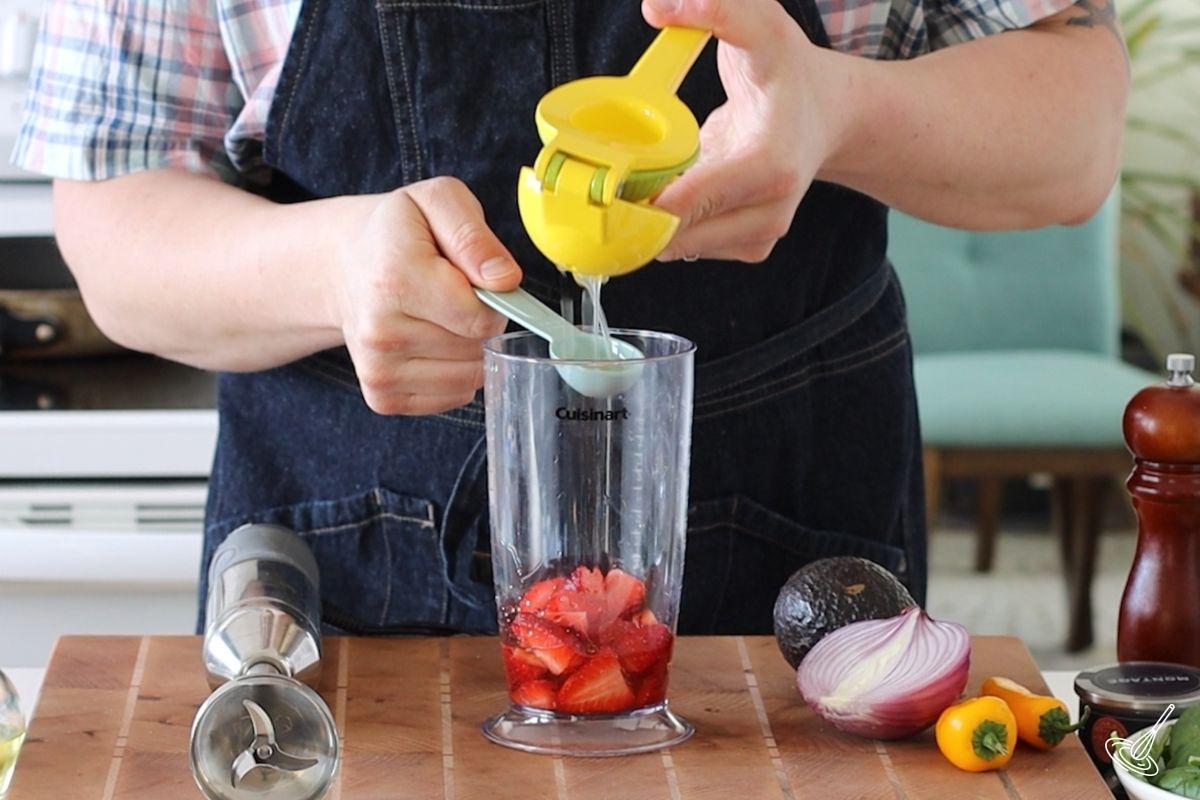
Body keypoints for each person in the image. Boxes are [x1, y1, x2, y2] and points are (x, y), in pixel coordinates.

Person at [13, 0, 1127, 634]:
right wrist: (331, 266)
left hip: (795, 542)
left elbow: (1073, 134)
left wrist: (841, 109)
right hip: (338, 564)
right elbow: (113, 217)